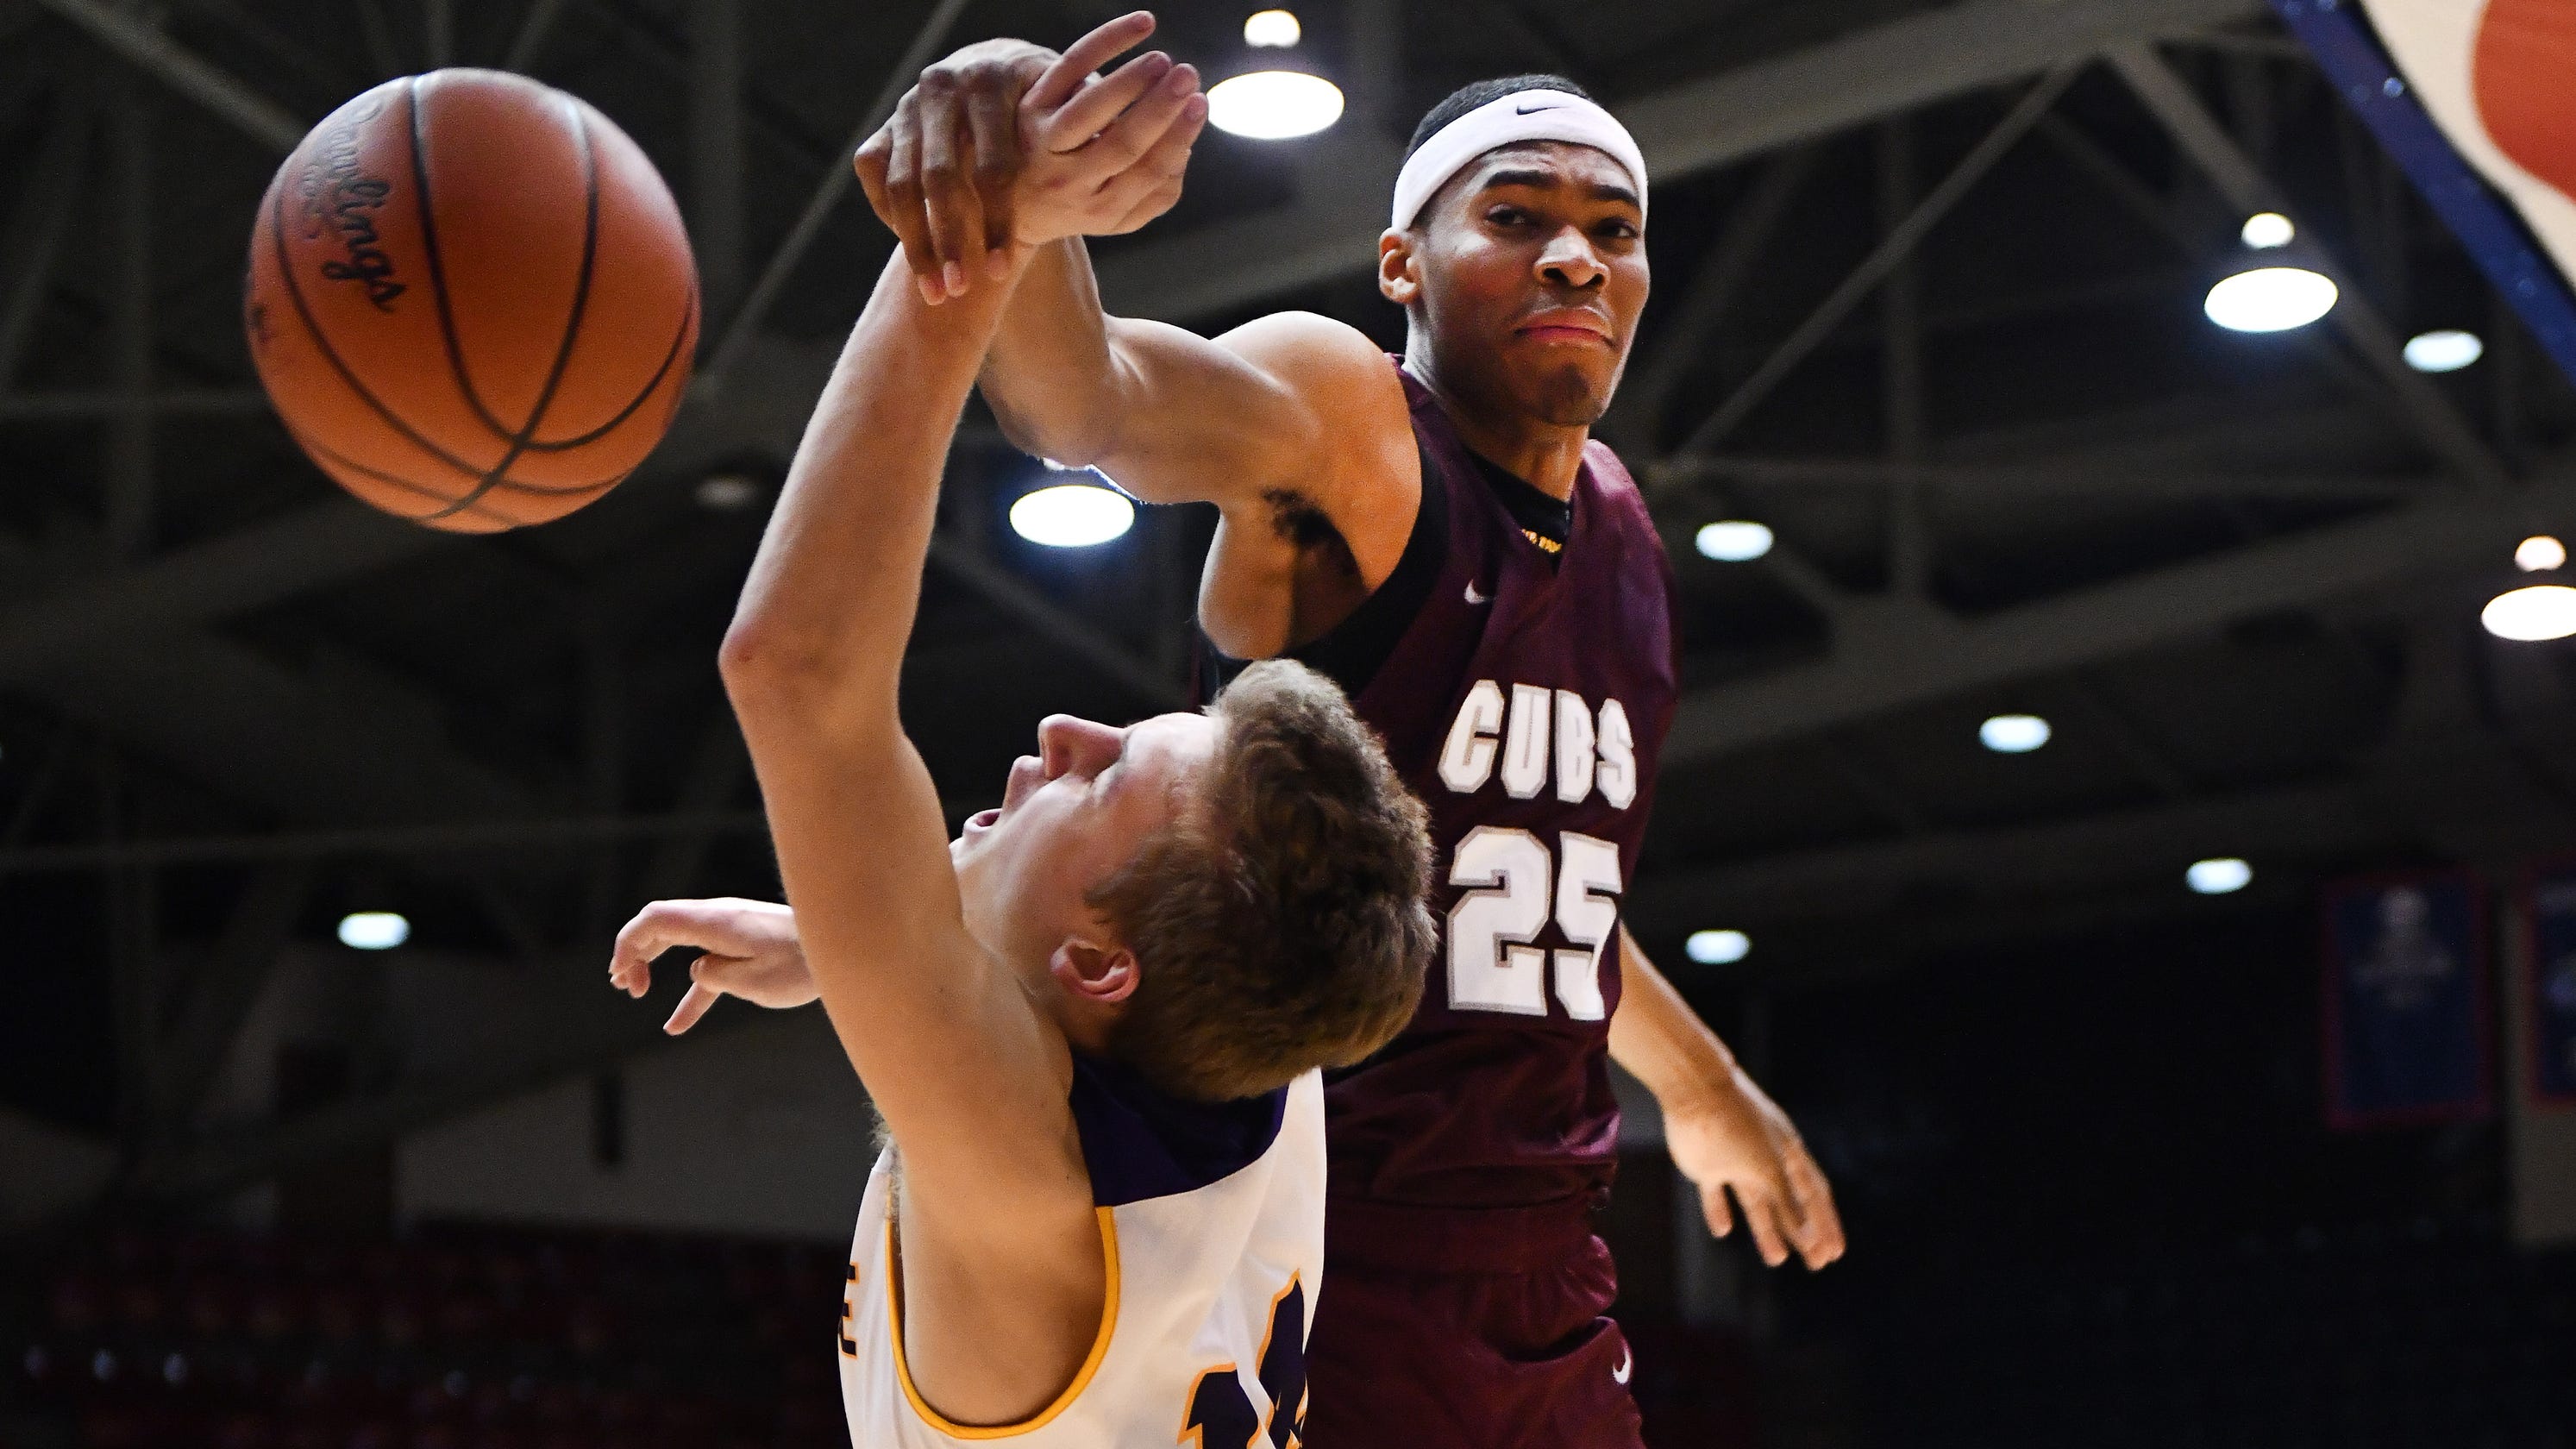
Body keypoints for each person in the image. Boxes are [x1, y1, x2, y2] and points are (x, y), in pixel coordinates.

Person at [640, 15, 1846, 1445]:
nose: (1575, 257)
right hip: (1316, 1213)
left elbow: (1539, 899)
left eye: (1614, 227)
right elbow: (1083, 398)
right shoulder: (1347, 421)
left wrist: (1700, 1085)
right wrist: (1015, 159)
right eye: (1515, 217)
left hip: (1541, 1265)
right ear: (1402, 263)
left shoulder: (1627, 539)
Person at [607, 24, 1436, 1444]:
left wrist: (971, 249)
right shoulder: (1250, 1008)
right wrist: (854, 937)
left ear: (1102, 965)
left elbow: (798, 671)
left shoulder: (1033, 1191)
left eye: (1099, 780)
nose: (1060, 732)